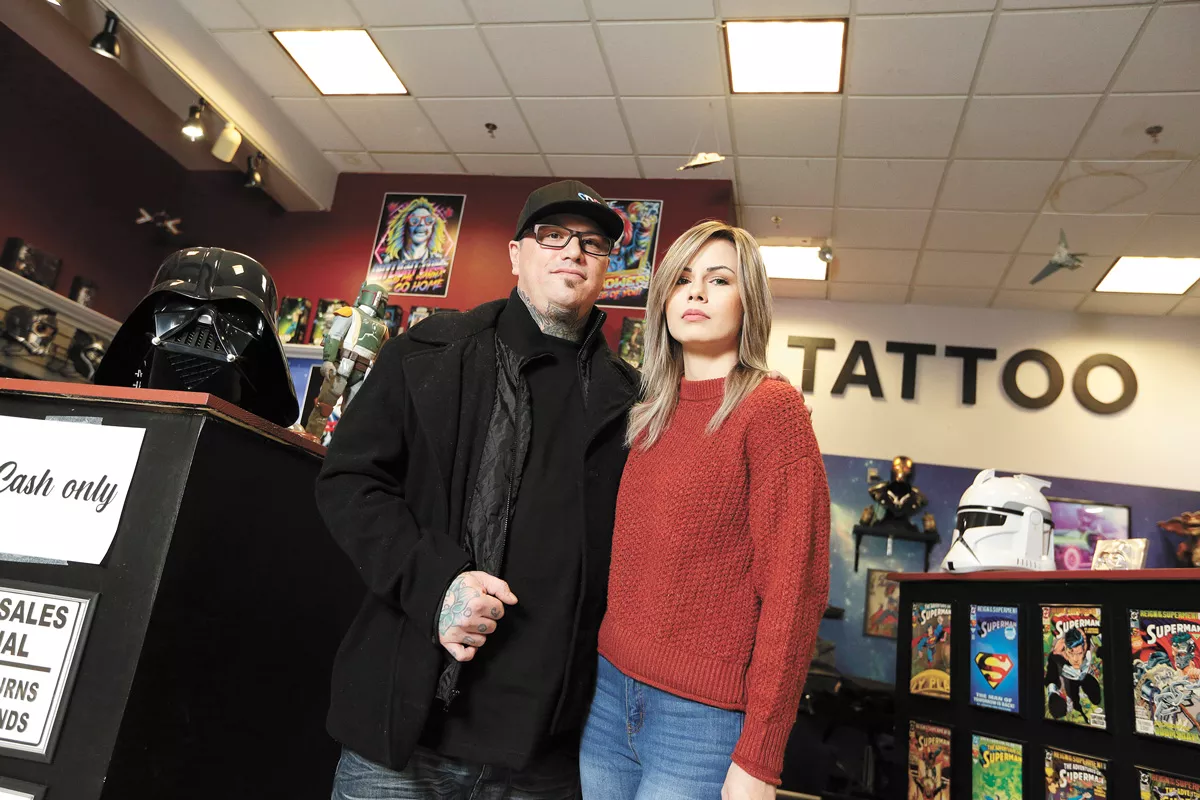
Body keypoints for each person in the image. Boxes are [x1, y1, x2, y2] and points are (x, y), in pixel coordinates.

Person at [316, 180, 638, 799]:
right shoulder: (429, 353)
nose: (573, 251)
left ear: (605, 272)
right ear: (516, 254)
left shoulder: (635, 402)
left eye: (593, 244)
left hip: (549, 755)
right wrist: (437, 582)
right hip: (407, 735)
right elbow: (349, 480)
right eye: (553, 235)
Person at [580, 221, 831, 800]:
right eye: (683, 280)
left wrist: (760, 759)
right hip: (606, 694)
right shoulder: (646, 415)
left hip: (700, 721)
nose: (695, 293)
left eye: (719, 280)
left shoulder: (770, 410)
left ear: (750, 306)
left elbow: (795, 591)